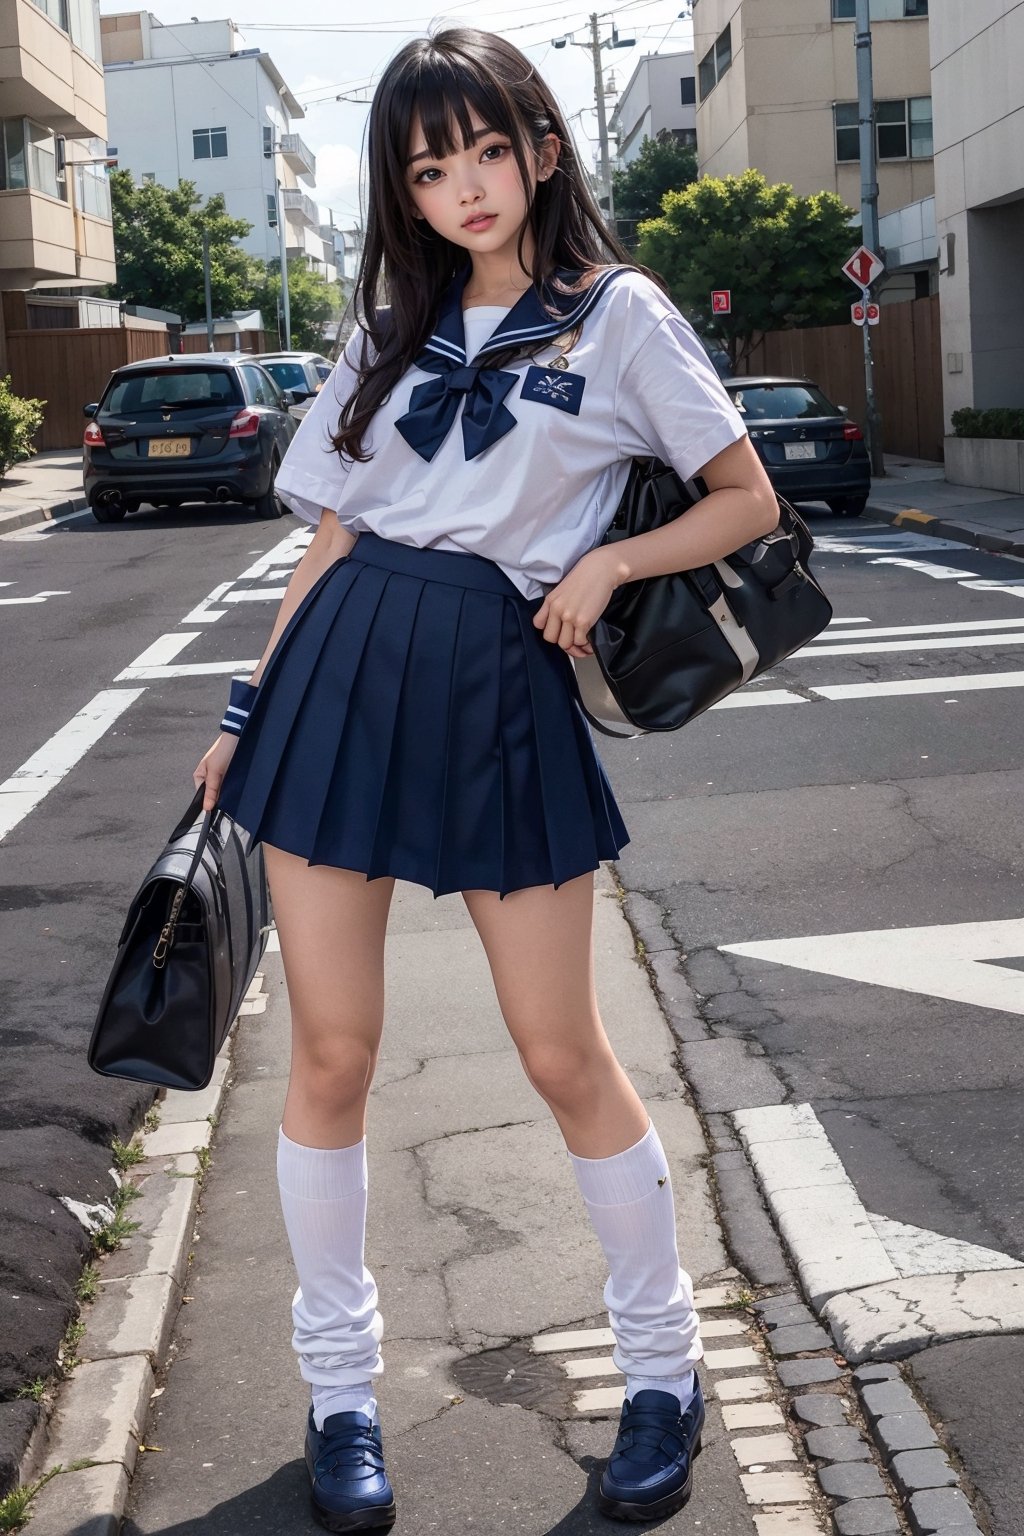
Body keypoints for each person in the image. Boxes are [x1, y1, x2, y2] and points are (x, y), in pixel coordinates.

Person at [195, 27, 777, 1533]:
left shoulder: (622, 316)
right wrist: (249, 705)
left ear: (543, 148)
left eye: (484, 151)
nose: (462, 187)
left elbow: (743, 497)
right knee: (330, 1055)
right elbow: (325, 538)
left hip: (499, 685)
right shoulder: (388, 321)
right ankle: (339, 1401)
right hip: (339, 680)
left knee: (561, 1052)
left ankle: (664, 1370)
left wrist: (609, 557)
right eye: (427, 165)